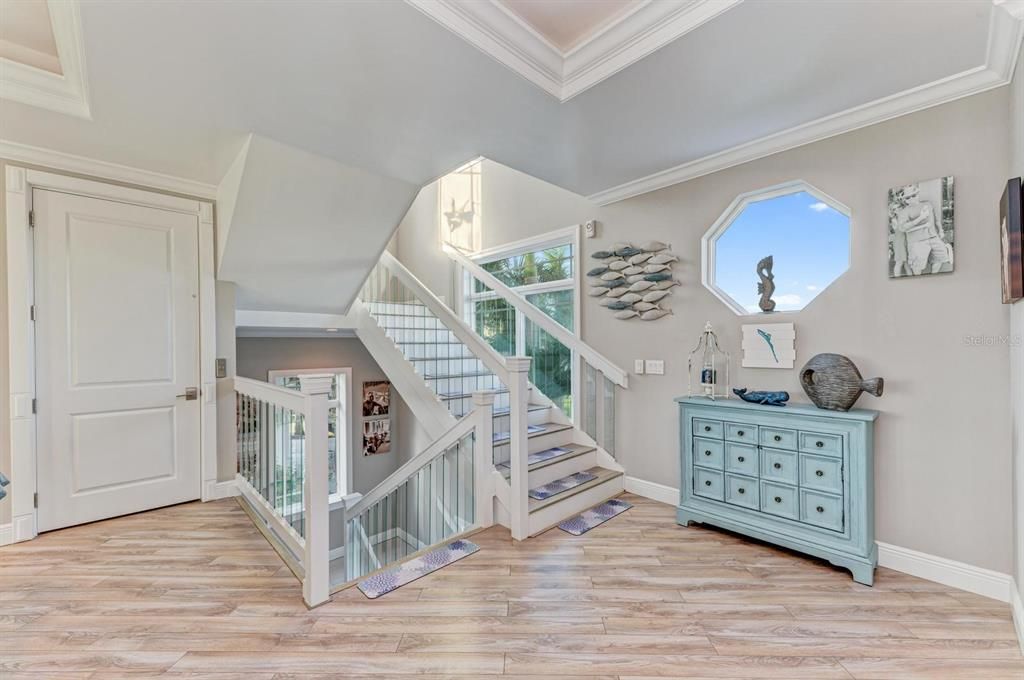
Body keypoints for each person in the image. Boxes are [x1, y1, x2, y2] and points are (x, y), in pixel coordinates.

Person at [892, 184, 952, 275]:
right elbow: (902, 228)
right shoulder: (903, 212)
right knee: (917, 265)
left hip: (933, 237)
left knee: (940, 258)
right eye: (908, 197)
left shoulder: (928, 204)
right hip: (917, 241)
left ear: (917, 194)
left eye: (913, 195)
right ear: (905, 200)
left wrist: (940, 230)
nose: (911, 199)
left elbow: (936, 219)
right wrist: (920, 218)